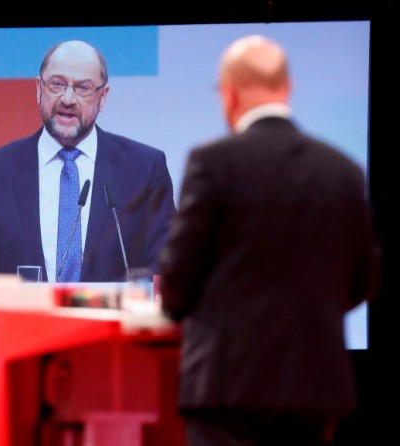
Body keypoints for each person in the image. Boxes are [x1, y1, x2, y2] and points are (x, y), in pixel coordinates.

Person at [158, 35, 381, 446]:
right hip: (316, 389)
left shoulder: (213, 162)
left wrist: (175, 307)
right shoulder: (343, 169)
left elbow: (178, 279)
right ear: (287, 88)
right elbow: (364, 279)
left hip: (228, 387)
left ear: (229, 94)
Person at [0, 39, 176, 351]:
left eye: (83, 88)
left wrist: (156, 308)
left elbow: (167, 260)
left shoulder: (143, 168)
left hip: (115, 352)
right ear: (38, 89)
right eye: (57, 84)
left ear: (103, 97)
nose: (68, 99)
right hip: (20, 350)